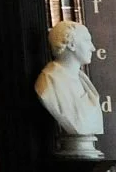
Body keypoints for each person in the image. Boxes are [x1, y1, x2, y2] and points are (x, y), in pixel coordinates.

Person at [35, 19, 105, 159]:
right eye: (87, 41)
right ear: (71, 45)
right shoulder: (49, 82)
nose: (92, 48)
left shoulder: (82, 79)